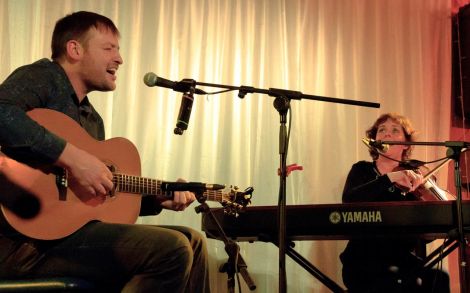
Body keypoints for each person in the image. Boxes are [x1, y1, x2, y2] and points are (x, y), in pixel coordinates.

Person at [0, 11, 210, 292]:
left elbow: (86, 204)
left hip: (60, 236)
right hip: (18, 243)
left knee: (193, 241)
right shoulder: (43, 77)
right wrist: (72, 157)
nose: (120, 59)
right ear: (75, 49)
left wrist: (155, 199)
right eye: (109, 48)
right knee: (172, 250)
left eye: (118, 50)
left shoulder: (91, 120)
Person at [340, 113, 450, 293]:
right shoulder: (362, 170)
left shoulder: (416, 173)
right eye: (381, 130)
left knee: (439, 277)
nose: (387, 134)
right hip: (363, 257)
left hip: (403, 257)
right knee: (395, 281)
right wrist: (390, 178)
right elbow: (350, 200)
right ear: (374, 140)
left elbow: (429, 231)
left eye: (395, 130)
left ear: (406, 144)